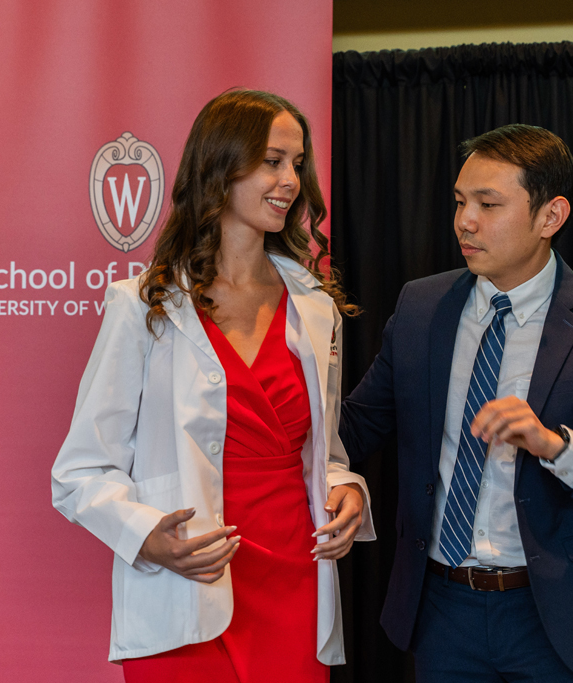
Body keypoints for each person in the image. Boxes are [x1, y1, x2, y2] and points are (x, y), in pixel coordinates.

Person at [51, 89, 374, 683]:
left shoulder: (314, 307)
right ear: (220, 168)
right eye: (272, 161)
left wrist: (347, 490)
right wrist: (148, 539)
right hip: (185, 582)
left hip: (294, 581)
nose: (291, 181)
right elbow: (79, 473)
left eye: (297, 164)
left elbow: (322, 455)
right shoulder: (142, 305)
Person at [339, 124, 573, 682]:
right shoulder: (421, 307)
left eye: (488, 204)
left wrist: (555, 445)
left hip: (556, 616)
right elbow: (355, 427)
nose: (465, 221)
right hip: (442, 610)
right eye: (460, 201)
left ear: (550, 217)